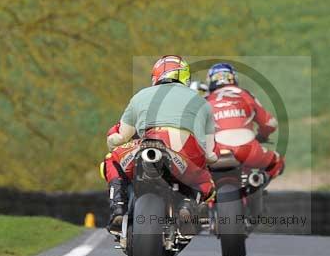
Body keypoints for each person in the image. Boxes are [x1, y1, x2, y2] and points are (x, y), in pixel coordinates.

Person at [102, 55, 217, 232]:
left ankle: (118, 206)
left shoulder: (140, 96)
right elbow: (210, 153)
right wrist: (207, 160)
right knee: (206, 182)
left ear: (156, 76)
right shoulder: (203, 102)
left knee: (111, 160)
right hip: (185, 155)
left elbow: (121, 137)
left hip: (147, 145)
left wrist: (112, 141)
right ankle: (188, 203)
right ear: (185, 77)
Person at [205, 62, 284, 179]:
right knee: (278, 161)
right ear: (234, 78)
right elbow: (270, 124)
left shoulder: (204, 100)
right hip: (247, 150)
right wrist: (262, 136)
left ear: (210, 81)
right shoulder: (246, 95)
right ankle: (257, 183)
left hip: (215, 152)